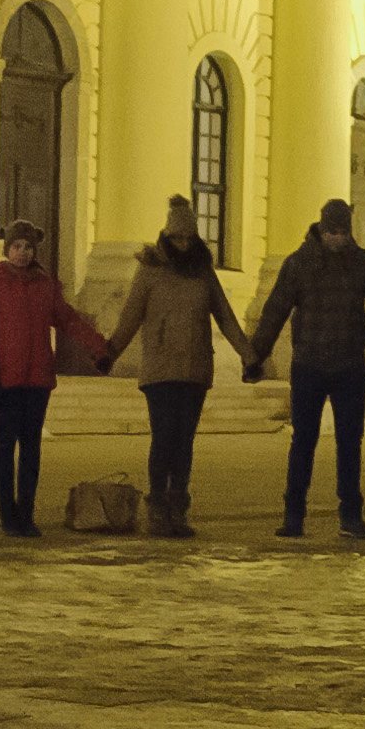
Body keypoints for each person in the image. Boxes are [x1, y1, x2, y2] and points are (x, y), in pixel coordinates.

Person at [244, 198, 365, 540]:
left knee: (350, 443)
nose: (337, 238)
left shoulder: (362, 264)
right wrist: (255, 356)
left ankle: (350, 516)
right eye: (332, 232)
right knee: (303, 441)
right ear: (321, 230)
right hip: (308, 366)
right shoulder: (299, 264)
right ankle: (294, 514)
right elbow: (274, 311)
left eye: (343, 233)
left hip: (350, 367)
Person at [95, 193, 248, 539]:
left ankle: (178, 509)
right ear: (167, 236)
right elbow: (130, 316)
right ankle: (158, 509)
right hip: (160, 370)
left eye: (187, 238)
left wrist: (249, 355)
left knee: (184, 443)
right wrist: (110, 352)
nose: (182, 243)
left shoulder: (203, 272)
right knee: (163, 439)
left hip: (195, 369)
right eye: (176, 237)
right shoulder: (149, 270)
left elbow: (225, 316)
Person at [0, 219, 106, 537]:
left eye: (28, 247)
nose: (22, 253)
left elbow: (68, 320)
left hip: (37, 380)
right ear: (7, 250)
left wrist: (97, 345)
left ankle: (26, 514)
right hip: (5, 380)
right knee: (5, 446)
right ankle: (7, 515)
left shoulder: (46, 286)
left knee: (31, 449)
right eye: (16, 246)